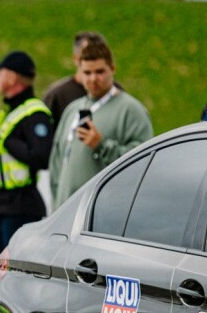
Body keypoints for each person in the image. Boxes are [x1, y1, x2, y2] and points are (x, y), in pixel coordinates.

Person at [0, 51, 54, 286]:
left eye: (0, 74)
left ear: (12, 78)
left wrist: (8, 142)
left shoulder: (34, 114)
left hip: (19, 206)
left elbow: (42, 156)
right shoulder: (6, 115)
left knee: (14, 276)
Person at [49, 39, 154, 209]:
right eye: (87, 73)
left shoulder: (131, 110)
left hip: (101, 216)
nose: (93, 79)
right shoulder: (72, 109)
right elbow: (56, 162)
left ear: (112, 69)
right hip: (65, 213)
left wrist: (101, 145)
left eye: (99, 72)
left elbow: (144, 164)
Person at [42, 30, 108, 125]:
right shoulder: (57, 96)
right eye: (87, 55)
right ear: (76, 59)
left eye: (99, 55)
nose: (93, 59)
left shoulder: (115, 92)